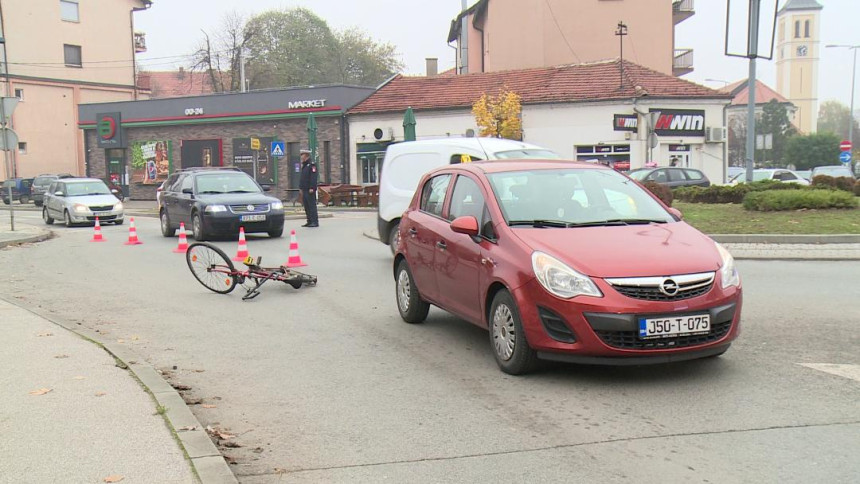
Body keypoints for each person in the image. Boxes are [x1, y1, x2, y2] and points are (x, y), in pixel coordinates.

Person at [299, 149, 319, 227]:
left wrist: (312, 187)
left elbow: (313, 177)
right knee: (306, 206)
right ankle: (309, 221)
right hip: (304, 189)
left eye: (302, 155)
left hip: (309, 189)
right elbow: (303, 178)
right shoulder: (304, 165)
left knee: (311, 206)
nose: (301, 156)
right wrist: (300, 188)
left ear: (306, 155)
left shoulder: (312, 165)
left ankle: (314, 221)